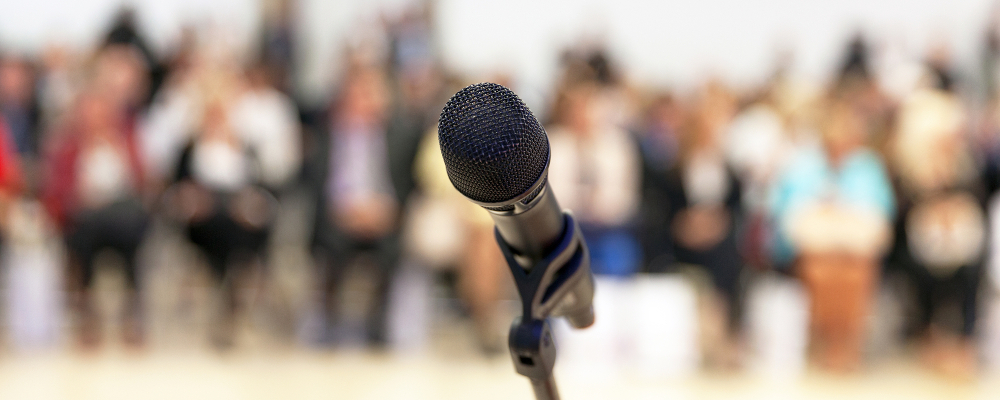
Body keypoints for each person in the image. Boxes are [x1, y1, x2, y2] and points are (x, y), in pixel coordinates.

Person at [770, 100, 895, 372]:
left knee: (856, 273)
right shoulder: (803, 164)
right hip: (814, 244)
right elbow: (784, 209)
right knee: (820, 271)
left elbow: (882, 209)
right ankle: (824, 339)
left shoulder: (867, 166)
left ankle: (848, 341)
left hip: (855, 244)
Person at [42, 46, 152, 349]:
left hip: (123, 216)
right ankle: (88, 315)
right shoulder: (68, 146)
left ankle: (132, 315)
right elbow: (58, 191)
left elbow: (142, 182)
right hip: (84, 218)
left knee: (131, 229)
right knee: (86, 231)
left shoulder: (126, 141)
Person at [312, 64, 412, 347]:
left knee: (392, 250)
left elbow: (406, 184)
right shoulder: (328, 135)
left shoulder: (400, 135)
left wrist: (385, 210)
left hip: (383, 216)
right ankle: (329, 320)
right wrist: (348, 210)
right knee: (331, 247)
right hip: (339, 215)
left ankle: (378, 323)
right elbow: (318, 182)